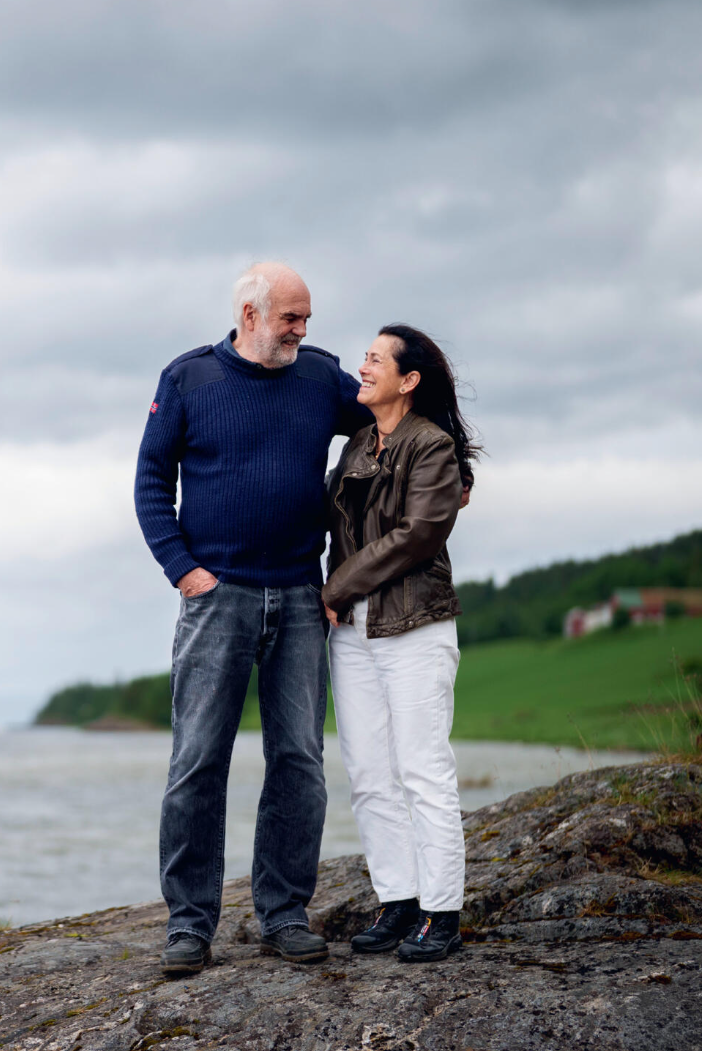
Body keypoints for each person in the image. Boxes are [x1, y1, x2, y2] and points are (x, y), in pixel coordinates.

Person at [134, 262, 371, 975]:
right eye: (289, 318)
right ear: (249, 314)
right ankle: (189, 922)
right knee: (198, 760)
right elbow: (151, 479)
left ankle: (283, 912)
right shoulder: (188, 379)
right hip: (217, 596)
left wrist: (446, 466)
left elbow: (388, 422)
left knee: (298, 758)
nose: (302, 330)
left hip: (302, 596)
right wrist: (185, 571)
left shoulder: (320, 377)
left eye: (306, 318)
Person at [322, 323, 480, 963]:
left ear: (408, 380)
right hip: (354, 633)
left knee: (421, 770)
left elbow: (416, 536)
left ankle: (442, 914)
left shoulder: (432, 446)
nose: (363, 367)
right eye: (363, 356)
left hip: (415, 625)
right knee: (368, 773)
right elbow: (341, 529)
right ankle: (399, 901)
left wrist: (335, 587)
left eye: (375, 359)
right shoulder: (360, 442)